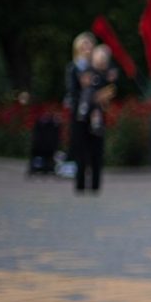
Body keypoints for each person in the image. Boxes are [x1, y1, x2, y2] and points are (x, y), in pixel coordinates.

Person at [79, 45, 118, 194]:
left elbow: (111, 92)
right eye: (100, 59)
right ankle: (80, 184)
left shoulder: (107, 76)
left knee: (97, 152)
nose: (102, 62)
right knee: (83, 152)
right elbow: (87, 93)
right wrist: (98, 96)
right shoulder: (88, 72)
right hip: (86, 116)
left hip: (99, 118)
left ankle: (95, 185)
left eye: (104, 59)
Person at [64, 31, 95, 189]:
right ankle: (78, 176)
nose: (87, 49)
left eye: (90, 46)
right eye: (84, 46)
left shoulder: (94, 67)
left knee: (92, 143)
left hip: (93, 110)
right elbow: (72, 90)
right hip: (78, 110)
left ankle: (90, 175)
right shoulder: (74, 67)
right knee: (79, 141)